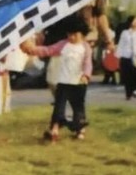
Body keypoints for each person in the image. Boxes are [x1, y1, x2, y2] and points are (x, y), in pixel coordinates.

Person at [21, 14, 92, 142]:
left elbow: (88, 63)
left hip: (79, 83)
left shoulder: (85, 47)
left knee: (78, 107)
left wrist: (86, 75)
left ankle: (79, 129)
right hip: (63, 82)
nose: (71, 37)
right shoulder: (63, 45)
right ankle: (54, 129)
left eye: (75, 35)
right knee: (58, 107)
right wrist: (32, 50)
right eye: (69, 34)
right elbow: (48, 50)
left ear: (82, 34)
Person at [116, 15, 136, 100]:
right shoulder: (125, 33)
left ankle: (135, 89)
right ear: (130, 22)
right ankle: (128, 94)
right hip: (126, 57)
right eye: (134, 21)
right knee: (127, 76)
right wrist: (118, 56)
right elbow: (121, 44)